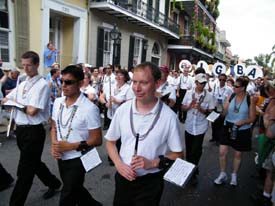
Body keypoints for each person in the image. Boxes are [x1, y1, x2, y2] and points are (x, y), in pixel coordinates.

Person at [105, 62, 183, 206]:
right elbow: (110, 142)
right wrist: (119, 164)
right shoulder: (123, 109)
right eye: (134, 82)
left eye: (144, 83)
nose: (137, 88)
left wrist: (152, 163)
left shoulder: (169, 117)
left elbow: (178, 154)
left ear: (157, 83)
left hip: (150, 183)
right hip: (123, 178)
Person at [2, 51, 61, 205]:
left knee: (25, 170)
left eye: (29, 65)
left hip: (33, 131)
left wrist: (16, 104)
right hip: (21, 130)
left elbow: (32, 111)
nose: (26, 68)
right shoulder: (22, 83)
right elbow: (5, 100)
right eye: (24, 65)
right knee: (34, 163)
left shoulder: (42, 85)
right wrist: (16, 103)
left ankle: (15, 203)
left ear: (37, 64)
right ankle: (54, 183)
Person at [51, 65, 102, 206]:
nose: (63, 85)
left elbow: (97, 139)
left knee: (68, 194)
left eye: (68, 82)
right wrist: (54, 145)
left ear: (80, 83)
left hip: (79, 158)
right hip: (62, 157)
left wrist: (71, 146)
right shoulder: (57, 102)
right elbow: (54, 127)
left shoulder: (89, 108)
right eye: (62, 81)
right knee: (75, 189)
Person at [214, 76, 256, 186]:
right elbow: (223, 113)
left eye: (236, 86)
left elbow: (252, 118)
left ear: (243, 88)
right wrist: (221, 109)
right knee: (222, 151)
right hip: (227, 127)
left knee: (238, 154)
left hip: (242, 130)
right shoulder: (231, 96)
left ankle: (234, 175)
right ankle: (223, 174)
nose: (234, 88)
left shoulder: (249, 99)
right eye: (233, 86)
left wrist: (242, 122)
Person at [181, 73, 215, 181]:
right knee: (189, 149)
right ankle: (192, 168)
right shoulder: (189, 93)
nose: (202, 85)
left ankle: (192, 172)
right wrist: (189, 106)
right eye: (200, 83)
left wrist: (201, 109)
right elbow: (182, 108)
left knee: (196, 150)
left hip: (201, 127)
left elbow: (211, 112)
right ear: (195, 82)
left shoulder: (209, 96)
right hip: (189, 126)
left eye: (204, 83)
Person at [210, 73, 233, 144]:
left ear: (225, 80)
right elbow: (212, 97)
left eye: (223, 80)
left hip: (223, 108)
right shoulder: (215, 87)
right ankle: (214, 137)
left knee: (220, 124)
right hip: (215, 107)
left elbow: (231, 99)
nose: (222, 81)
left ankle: (218, 139)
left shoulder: (229, 89)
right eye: (220, 79)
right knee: (213, 123)